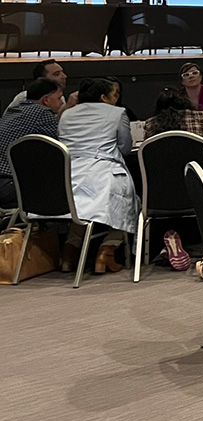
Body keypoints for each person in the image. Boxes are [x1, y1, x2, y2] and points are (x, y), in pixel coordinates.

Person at [56, 77, 137, 274]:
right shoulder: (118, 113)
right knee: (129, 203)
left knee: (80, 210)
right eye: (114, 95)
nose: (116, 99)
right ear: (103, 97)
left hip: (70, 175)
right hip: (104, 172)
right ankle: (107, 250)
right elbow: (125, 147)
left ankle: (69, 252)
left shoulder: (66, 114)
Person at [0, 76, 63, 207]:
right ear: (46, 100)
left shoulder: (13, 110)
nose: (61, 103)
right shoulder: (44, 113)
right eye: (58, 98)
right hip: (9, 184)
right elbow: (57, 152)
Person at [143, 86, 203, 155]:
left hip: (161, 173)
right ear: (184, 100)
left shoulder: (150, 123)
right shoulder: (202, 117)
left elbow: (147, 150)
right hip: (196, 172)